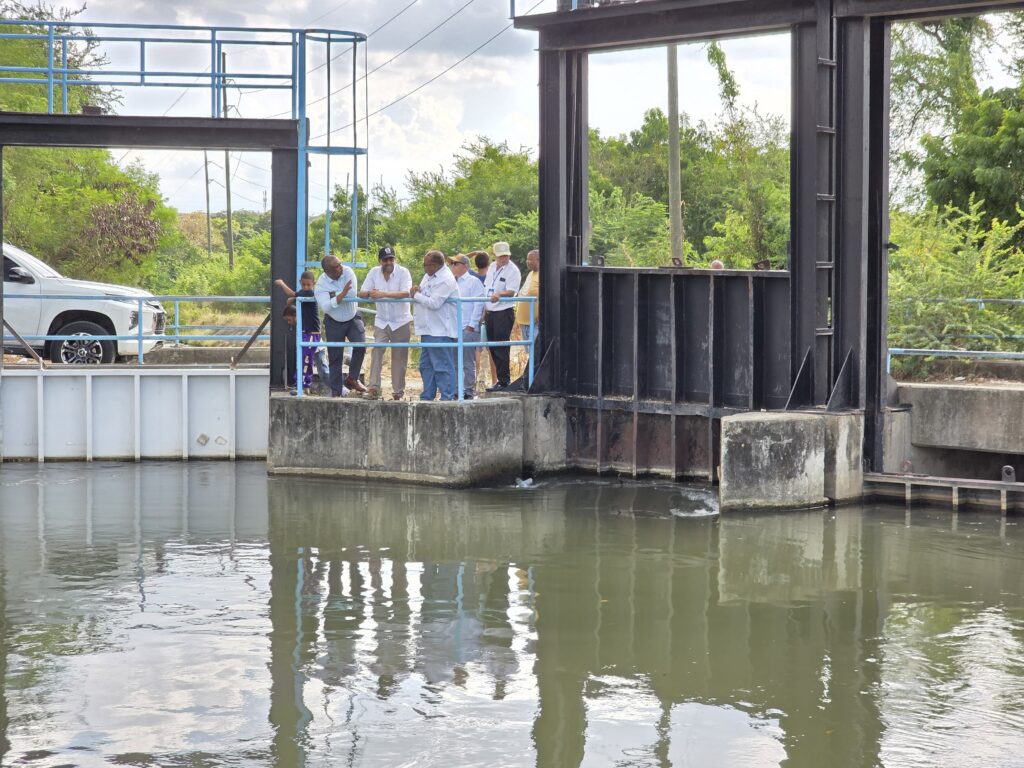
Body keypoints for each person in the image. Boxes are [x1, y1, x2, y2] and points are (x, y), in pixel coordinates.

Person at [359, 245, 413, 400]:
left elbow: (406, 292)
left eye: (391, 259)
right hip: (382, 320)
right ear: (380, 261)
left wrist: (383, 294)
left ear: (394, 259)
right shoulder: (373, 272)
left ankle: (397, 392)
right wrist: (371, 293)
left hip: (401, 321)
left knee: (399, 357)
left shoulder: (403, 272)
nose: (389, 262)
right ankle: (373, 389)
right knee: (377, 351)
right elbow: (362, 292)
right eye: (385, 259)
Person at [314, 254, 367, 397]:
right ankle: (337, 391)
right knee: (335, 357)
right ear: (327, 271)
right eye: (336, 266)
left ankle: (352, 378)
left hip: (352, 317)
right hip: (333, 321)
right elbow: (325, 307)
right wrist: (341, 293)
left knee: (360, 346)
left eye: (340, 264)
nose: (340, 267)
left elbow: (351, 294)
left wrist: (334, 296)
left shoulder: (348, 271)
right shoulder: (320, 284)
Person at [410, 250, 459, 401]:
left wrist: (416, 296)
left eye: (426, 265)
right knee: (426, 366)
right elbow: (425, 295)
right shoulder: (429, 276)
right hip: (428, 329)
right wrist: (418, 290)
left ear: (436, 265)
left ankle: (447, 398)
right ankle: (427, 396)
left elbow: (434, 303)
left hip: (440, 330)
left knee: (442, 366)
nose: (424, 268)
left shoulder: (445, 279)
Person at [275, 271, 329, 392]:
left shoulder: (310, 293)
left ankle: (303, 385)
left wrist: (281, 284)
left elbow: (291, 293)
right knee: (318, 365)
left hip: (312, 334)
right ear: (300, 283)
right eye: (303, 285)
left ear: (313, 284)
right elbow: (293, 297)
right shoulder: (303, 297)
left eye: (308, 285)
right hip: (308, 334)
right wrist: (293, 299)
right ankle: (302, 385)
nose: (305, 287)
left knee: (306, 359)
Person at [482, 241, 521, 392]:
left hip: (503, 312)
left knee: (501, 346)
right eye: (500, 256)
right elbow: (487, 287)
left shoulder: (513, 270)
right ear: (495, 256)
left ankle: (504, 381)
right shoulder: (492, 267)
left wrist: (500, 293)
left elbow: (512, 291)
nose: (503, 258)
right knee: (492, 345)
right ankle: (499, 379)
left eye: (506, 256)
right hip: (490, 311)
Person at [449, 254, 485, 399]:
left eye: (456, 264)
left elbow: (479, 304)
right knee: (455, 362)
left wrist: (471, 325)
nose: (453, 267)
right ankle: (457, 390)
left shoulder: (473, 282)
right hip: (454, 328)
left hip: (467, 328)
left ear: (464, 265)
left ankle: (469, 390)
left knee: (467, 362)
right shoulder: (451, 282)